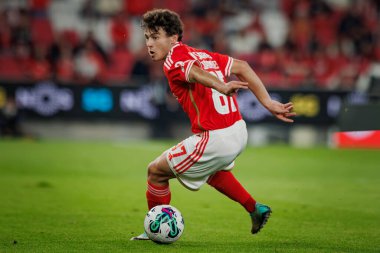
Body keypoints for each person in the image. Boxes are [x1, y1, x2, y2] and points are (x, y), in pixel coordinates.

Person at [131, 9, 295, 240]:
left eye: (155, 37)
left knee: (155, 172)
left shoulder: (174, 59)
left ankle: (154, 229)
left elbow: (194, 73)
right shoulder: (203, 54)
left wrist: (221, 86)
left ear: (174, 37)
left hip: (216, 136)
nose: (149, 43)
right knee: (211, 170)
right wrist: (267, 102)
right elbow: (243, 66)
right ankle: (254, 208)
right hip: (238, 130)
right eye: (147, 37)